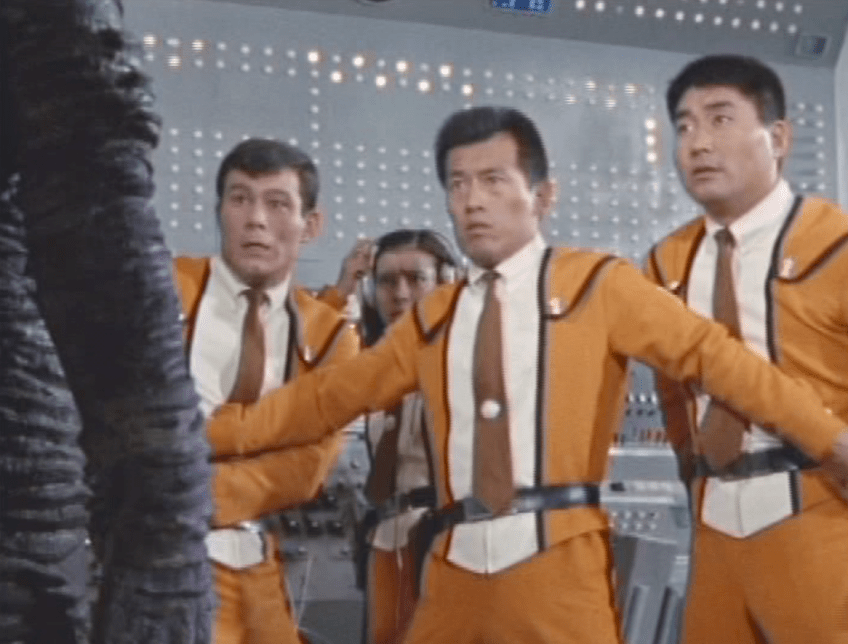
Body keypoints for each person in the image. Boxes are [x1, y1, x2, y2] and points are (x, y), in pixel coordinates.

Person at [204, 106, 848, 644]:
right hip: (453, 569)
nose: (473, 201)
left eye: (492, 180)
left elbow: (722, 363)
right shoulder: (433, 318)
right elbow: (323, 400)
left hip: (560, 567)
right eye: (458, 184)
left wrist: (829, 439)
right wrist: (205, 436)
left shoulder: (598, 285)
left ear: (541, 196)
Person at [646, 54, 848, 644]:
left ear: (778, 138)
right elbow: (671, 395)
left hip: (822, 508)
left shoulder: (835, 242)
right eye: (684, 126)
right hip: (714, 520)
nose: (699, 143)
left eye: (720, 119)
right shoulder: (665, 263)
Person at [171, 138, 359, 644]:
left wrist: (190, 475)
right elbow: (132, 428)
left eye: (277, 203)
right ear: (220, 210)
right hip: (162, 564)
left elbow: (309, 466)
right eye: (240, 199)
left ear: (310, 225)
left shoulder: (330, 337)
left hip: (259, 568)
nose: (255, 220)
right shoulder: (166, 290)